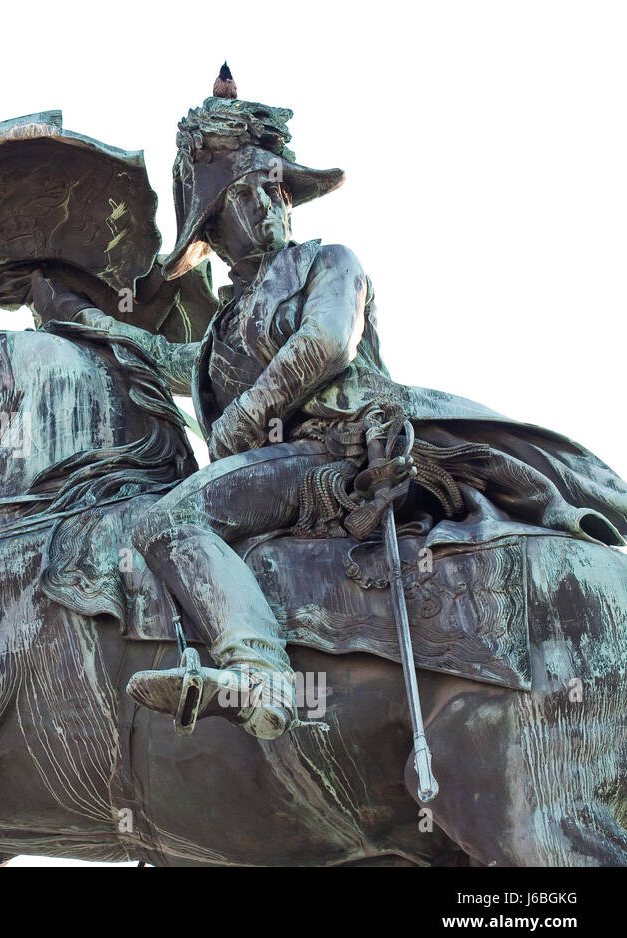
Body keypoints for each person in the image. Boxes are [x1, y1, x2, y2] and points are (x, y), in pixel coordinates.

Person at [31, 81, 627, 740]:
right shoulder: (229, 321)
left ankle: (261, 677)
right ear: (212, 224)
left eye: (276, 191)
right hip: (275, 462)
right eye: (247, 195)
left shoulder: (329, 261)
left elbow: (326, 340)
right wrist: (97, 326)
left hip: (337, 443)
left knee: (173, 518)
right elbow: (175, 361)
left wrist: (248, 411)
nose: (270, 206)